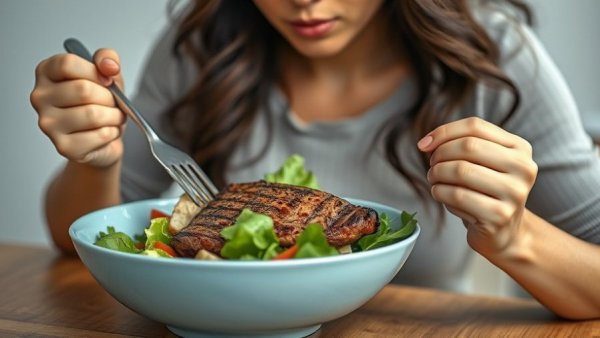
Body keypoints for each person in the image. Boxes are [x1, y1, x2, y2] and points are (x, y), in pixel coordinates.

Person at [30, 0, 600, 320]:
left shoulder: (492, 55)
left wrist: (513, 236)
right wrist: (97, 159)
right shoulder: (202, 44)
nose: (305, 1)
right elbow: (81, 239)